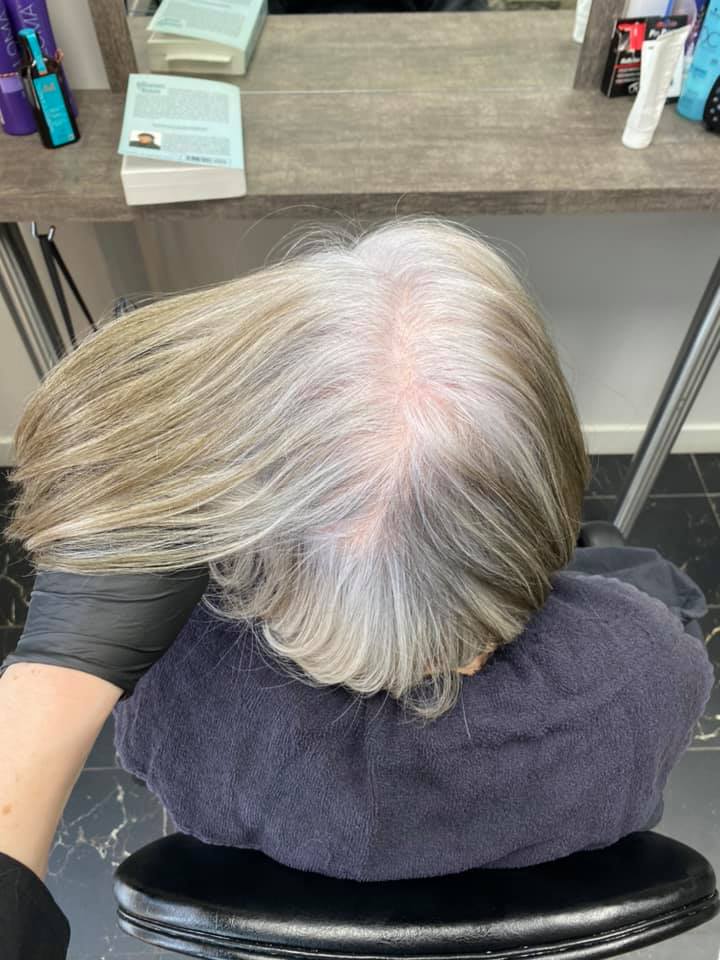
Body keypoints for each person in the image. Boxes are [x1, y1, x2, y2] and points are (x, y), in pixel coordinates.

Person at [0, 216, 713, 957]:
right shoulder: (650, 671)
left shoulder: (180, 694)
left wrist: (51, 676)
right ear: (542, 505)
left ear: (249, 553)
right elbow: (650, 621)